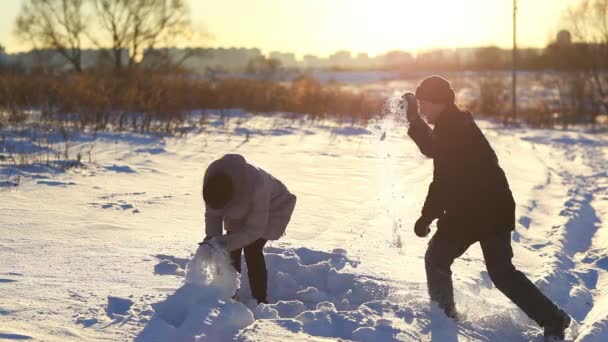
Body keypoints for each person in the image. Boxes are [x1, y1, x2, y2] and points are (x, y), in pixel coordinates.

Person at [402, 75, 571, 340]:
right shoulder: (453, 124)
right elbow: (436, 154)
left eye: (423, 103)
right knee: (443, 259)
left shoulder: (454, 128)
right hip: (474, 210)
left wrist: (426, 216)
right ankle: (446, 315)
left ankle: (552, 319)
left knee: (492, 271)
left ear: (439, 103)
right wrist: (416, 121)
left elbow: (442, 176)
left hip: (486, 210)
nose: (421, 109)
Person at [201, 153, 297, 304]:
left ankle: (260, 299)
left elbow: (254, 230)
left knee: (253, 248)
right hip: (241, 206)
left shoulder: (257, 185)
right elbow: (213, 214)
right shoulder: (213, 181)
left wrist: (223, 243)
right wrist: (213, 241)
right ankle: (228, 293)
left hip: (274, 206)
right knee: (230, 249)